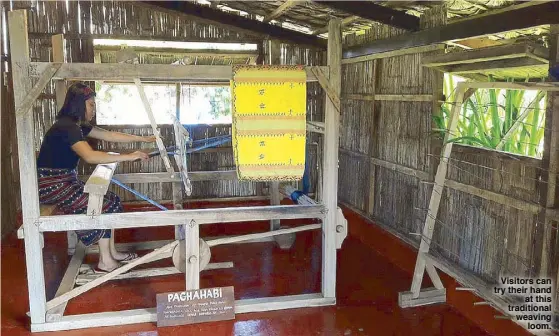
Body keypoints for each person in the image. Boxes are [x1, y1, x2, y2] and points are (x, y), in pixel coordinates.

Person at [37, 82, 155, 272]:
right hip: (51, 186)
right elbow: (90, 156)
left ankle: (112, 252)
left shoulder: (77, 126)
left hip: (64, 181)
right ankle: (105, 261)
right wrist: (129, 156)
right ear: (78, 104)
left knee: (113, 201)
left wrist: (142, 139)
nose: (93, 109)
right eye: (91, 105)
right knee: (105, 205)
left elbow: (110, 135)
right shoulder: (67, 127)